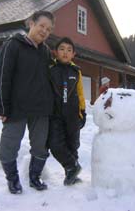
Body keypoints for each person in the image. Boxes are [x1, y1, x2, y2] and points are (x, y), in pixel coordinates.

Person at [0, 10, 55, 194]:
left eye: (48, 29)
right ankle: (12, 179)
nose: (44, 31)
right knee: (9, 146)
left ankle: (35, 177)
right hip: (16, 108)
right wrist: (1, 106)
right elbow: (2, 77)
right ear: (31, 23)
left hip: (41, 109)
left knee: (41, 146)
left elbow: (51, 80)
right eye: (42, 26)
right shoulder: (12, 45)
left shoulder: (46, 52)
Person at [48, 37, 86, 185]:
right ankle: (72, 166)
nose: (65, 52)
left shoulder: (76, 71)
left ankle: (71, 174)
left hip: (72, 115)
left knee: (73, 146)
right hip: (55, 115)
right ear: (56, 52)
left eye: (69, 50)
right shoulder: (50, 69)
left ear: (73, 54)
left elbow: (80, 92)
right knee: (55, 145)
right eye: (62, 49)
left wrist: (82, 112)